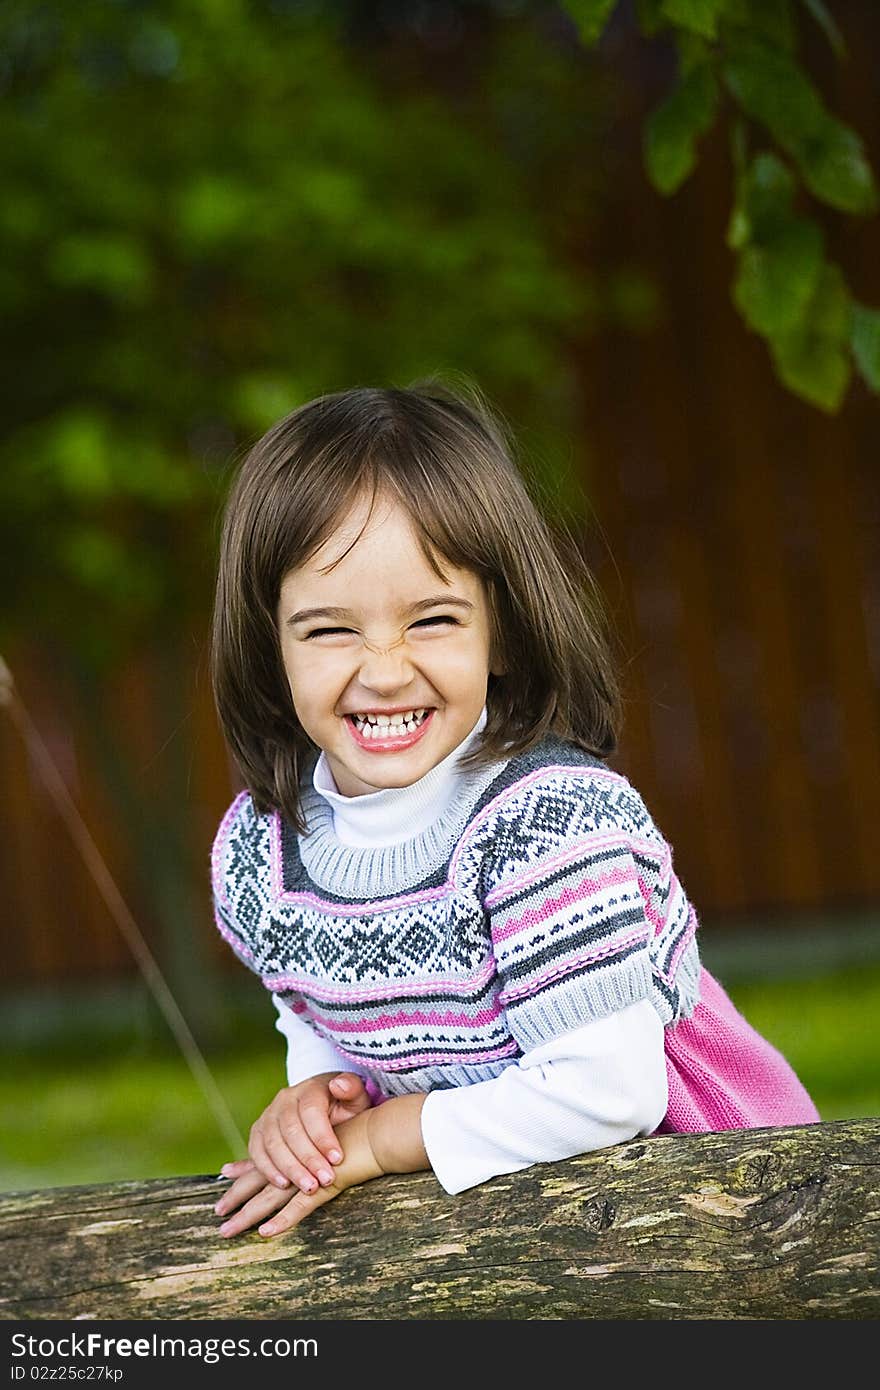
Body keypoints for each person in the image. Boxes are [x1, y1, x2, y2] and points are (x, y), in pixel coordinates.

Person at [209, 381, 819, 1240]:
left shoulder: (546, 825)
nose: (384, 670)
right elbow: (311, 1003)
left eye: (432, 619)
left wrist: (381, 1138)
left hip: (728, 1214)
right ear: (269, 648)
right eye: (329, 630)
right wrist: (320, 1099)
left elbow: (610, 1093)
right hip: (512, 1233)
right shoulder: (267, 852)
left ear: (502, 630)